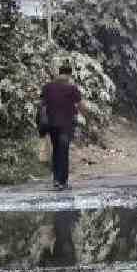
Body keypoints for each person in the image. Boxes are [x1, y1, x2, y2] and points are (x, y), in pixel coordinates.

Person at [40, 63, 90, 191]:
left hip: (51, 124)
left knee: (56, 150)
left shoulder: (47, 87)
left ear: (59, 72)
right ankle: (62, 182)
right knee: (63, 151)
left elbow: (42, 105)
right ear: (69, 74)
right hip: (65, 125)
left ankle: (56, 180)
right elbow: (80, 106)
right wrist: (87, 117)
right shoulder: (71, 88)